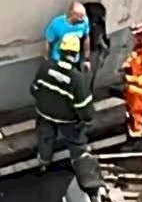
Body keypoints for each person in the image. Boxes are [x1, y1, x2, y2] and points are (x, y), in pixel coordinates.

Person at [30, 33, 94, 173]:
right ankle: (78, 162)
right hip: (67, 119)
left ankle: (44, 162)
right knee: (76, 140)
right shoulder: (77, 79)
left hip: (44, 114)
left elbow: (34, 89)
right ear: (77, 54)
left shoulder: (46, 67)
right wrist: (87, 120)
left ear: (60, 50)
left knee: (45, 138)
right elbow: (83, 105)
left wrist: (43, 103)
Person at [44, 1, 91, 70]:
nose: (83, 19)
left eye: (84, 16)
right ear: (72, 14)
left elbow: (86, 38)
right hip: (58, 59)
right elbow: (48, 41)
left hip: (74, 60)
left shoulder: (84, 22)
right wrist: (46, 60)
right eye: (80, 17)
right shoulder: (57, 23)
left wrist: (87, 59)